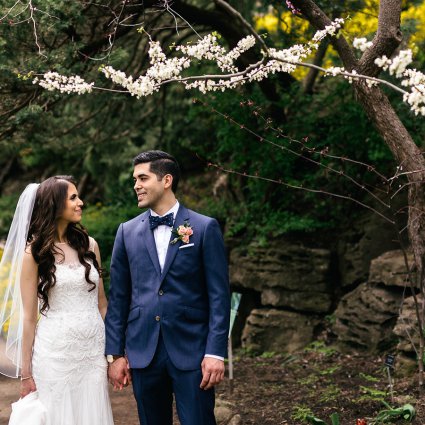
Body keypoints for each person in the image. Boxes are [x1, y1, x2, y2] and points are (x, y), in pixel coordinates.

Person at [105, 150, 231, 425]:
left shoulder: (204, 227)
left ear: (166, 180)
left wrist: (215, 352)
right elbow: (119, 298)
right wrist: (114, 354)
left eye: (142, 178)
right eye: (134, 179)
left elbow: (219, 296)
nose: (135, 185)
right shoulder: (126, 232)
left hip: (193, 351)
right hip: (142, 352)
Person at [0, 176, 114, 425]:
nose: (80, 202)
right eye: (73, 197)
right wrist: (26, 374)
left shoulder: (90, 245)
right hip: (55, 354)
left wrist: (114, 353)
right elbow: (29, 317)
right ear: (54, 205)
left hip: (93, 353)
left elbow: (102, 304)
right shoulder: (34, 254)